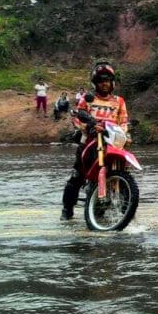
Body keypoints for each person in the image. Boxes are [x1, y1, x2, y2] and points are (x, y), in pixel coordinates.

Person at [61, 62, 129, 221]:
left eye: (107, 80)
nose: (104, 83)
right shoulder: (87, 99)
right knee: (77, 176)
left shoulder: (119, 101)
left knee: (124, 173)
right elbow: (77, 118)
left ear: (112, 82)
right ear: (95, 83)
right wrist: (87, 127)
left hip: (112, 142)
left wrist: (124, 133)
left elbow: (124, 121)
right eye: (100, 80)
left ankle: (127, 208)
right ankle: (67, 209)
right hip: (90, 142)